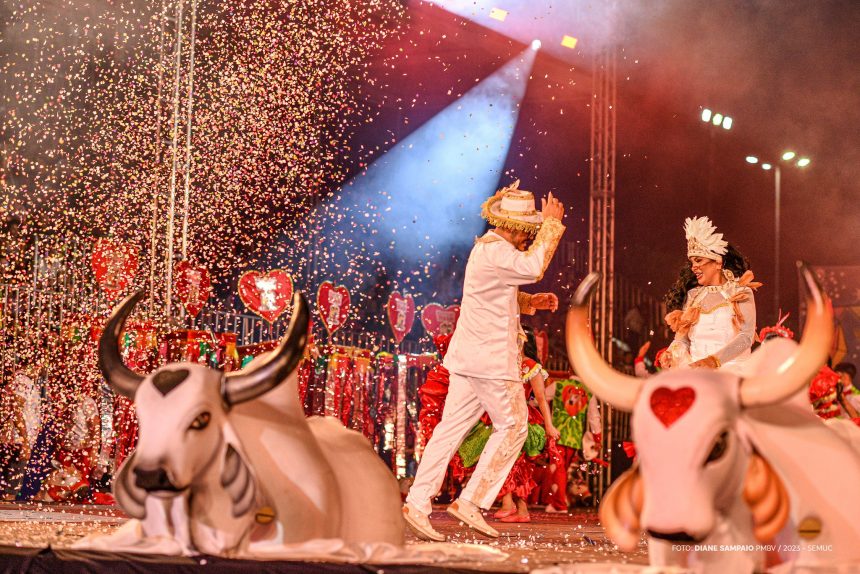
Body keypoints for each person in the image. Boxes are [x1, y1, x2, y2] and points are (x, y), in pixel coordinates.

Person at [403, 180, 565, 541]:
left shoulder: (488, 250)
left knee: (450, 430)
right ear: (515, 228)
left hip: (470, 359)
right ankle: (472, 501)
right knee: (515, 426)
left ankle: (417, 502)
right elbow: (533, 267)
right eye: (528, 231)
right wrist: (552, 225)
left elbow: (494, 294)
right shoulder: (497, 251)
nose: (529, 237)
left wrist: (530, 302)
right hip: (491, 360)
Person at [661, 216, 760, 373]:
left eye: (699, 260)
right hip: (697, 374)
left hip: (733, 374)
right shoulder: (693, 296)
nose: (693, 267)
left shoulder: (740, 292)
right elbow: (683, 340)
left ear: (718, 262)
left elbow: (746, 337)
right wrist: (672, 353)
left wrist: (714, 361)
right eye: (692, 262)